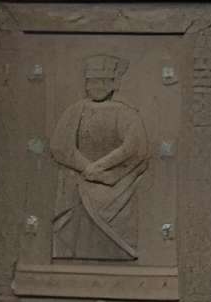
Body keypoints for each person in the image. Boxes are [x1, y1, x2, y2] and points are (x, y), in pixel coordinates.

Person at [49, 54, 150, 261]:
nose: (97, 86)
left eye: (103, 81)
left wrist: (102, 167)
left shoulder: (126, 113)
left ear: (113, 84)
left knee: (113, 241)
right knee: (77, 233)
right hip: (78, 185)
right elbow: (61, 145)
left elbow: (134, 148)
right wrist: (87, 168)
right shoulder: (76, 110)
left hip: (117, 188)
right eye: (92, 81)